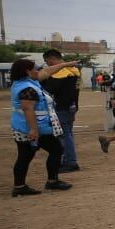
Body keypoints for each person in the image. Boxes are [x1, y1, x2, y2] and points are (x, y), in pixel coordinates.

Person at [9, 58, 72, 196]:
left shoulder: (24, 82)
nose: (39, 70)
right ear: (27, 71)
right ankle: (52, 181)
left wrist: (66, 64)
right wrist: (34, 129)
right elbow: (28, 109)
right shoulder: (27, 88)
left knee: (25, 156)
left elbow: (47, 71)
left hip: (23, 127)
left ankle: (19, 186)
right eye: (35, 68)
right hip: (36, 128)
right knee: (56, 149)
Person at [38, 48, 81, 173]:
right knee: (67, 134)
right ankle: (69, 160)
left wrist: (43, 80)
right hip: (71, 106)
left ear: (52, 59)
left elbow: (50, 89)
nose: (47, 65)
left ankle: (70, 162)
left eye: (47, 61)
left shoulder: (61, 72)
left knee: (64, 135)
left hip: (62, 107)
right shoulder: (73, 70)